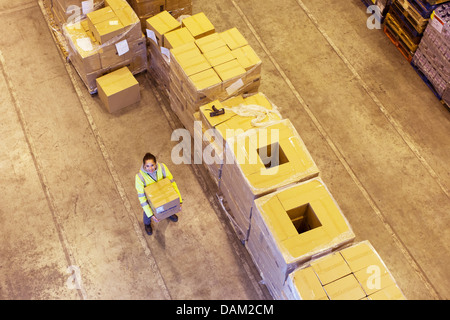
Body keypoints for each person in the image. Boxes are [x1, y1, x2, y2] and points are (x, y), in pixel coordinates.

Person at [135, 153, 182, 235]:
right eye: (147, 166)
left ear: (156, 163)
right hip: (150, 200)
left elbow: (172, 183)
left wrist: (179, 201)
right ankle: (147, 224)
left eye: (152, 165)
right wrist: (151, 215)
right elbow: (142, 198)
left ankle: (168, 213)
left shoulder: (162, 167)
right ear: (144, 166)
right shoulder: (139, 177)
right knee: (147, 212)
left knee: (167, 204)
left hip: (164, 194)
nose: (150, 168)